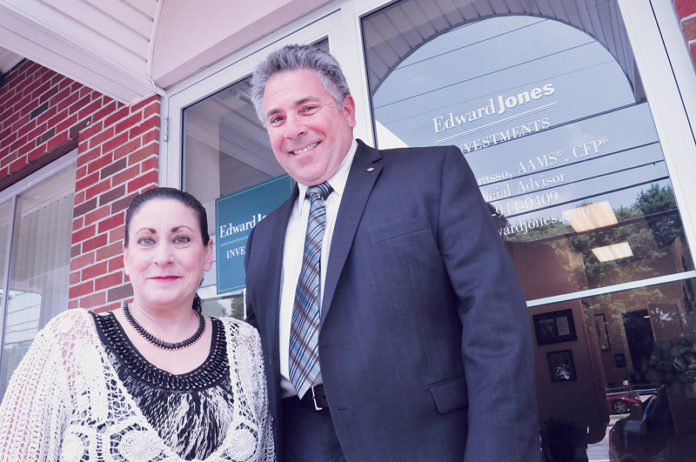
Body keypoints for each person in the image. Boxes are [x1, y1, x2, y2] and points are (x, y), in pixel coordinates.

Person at [244, 44, 541, 462]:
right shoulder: (262, 237)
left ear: (347, 110)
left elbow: (494, 323)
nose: (292, 129)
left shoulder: (431, 176)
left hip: (424, 444)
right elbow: (252, 363)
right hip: (301, 445)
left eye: (307, 108)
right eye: (277, 118)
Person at [0, 187, 275, 461]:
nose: (163, 257)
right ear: (126, 258)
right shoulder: (69, 343)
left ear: (207, 253)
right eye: (146, 241)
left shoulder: (244, 345)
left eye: (181, 239)